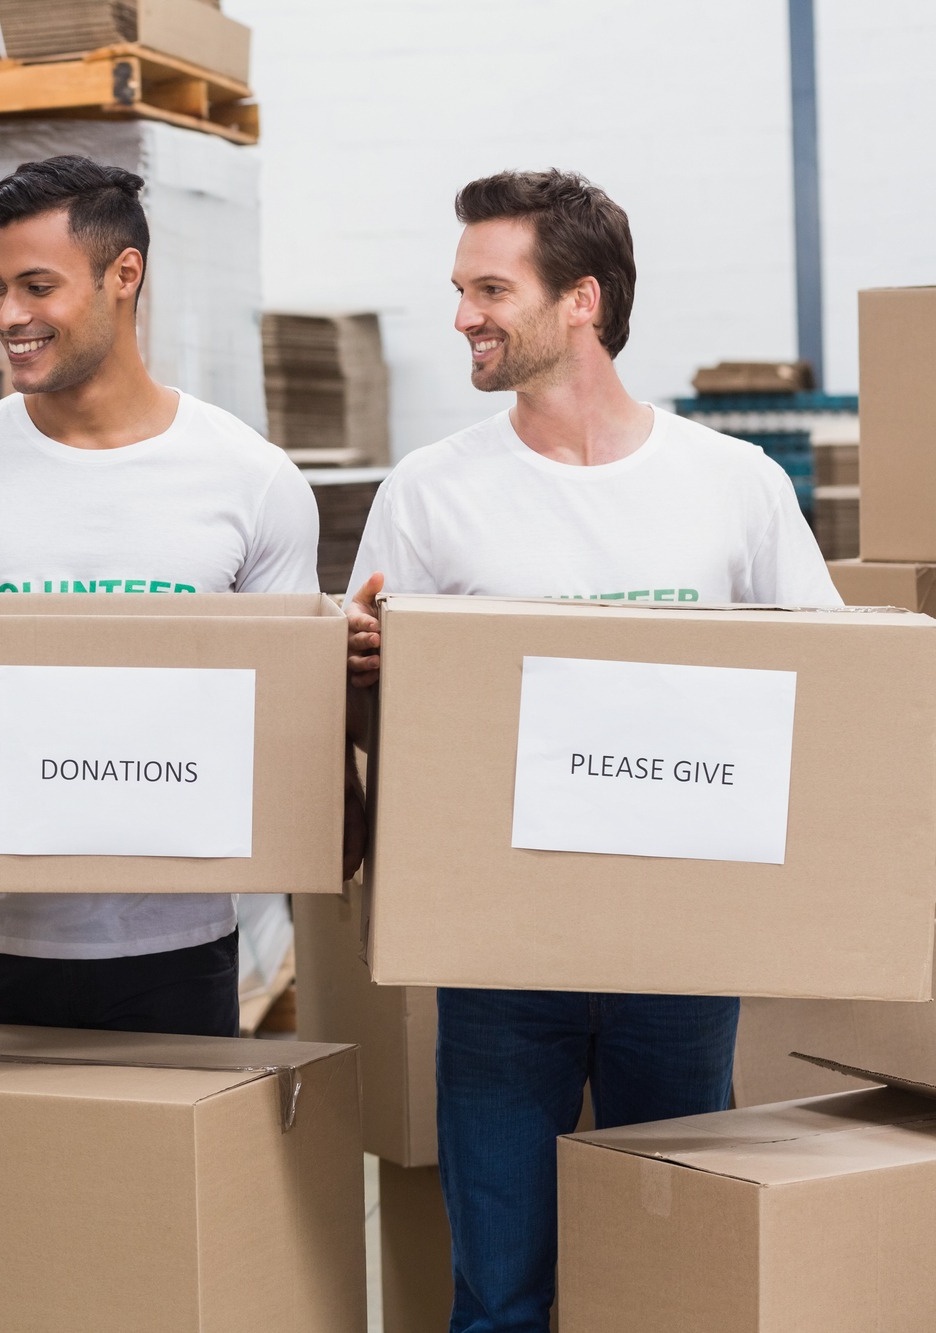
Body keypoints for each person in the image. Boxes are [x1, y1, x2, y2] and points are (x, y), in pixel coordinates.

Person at [343, 170, 840, 1333]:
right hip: (499, 957)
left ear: (579, 299)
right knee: (500, 1287)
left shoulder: (731, 486)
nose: (462, 312)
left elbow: (827, 689)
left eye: (487, 287)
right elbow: (370, 711)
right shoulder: (428, 494)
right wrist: (359, 666)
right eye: (458, 287)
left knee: (671, 1282)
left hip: (678, 950)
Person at [0, 155, 323, 1038]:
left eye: (36, 285)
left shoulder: (251, 479)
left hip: (177, 942)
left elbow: (291, 707)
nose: (7, 317)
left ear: (124, 276)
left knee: (164, 1183)